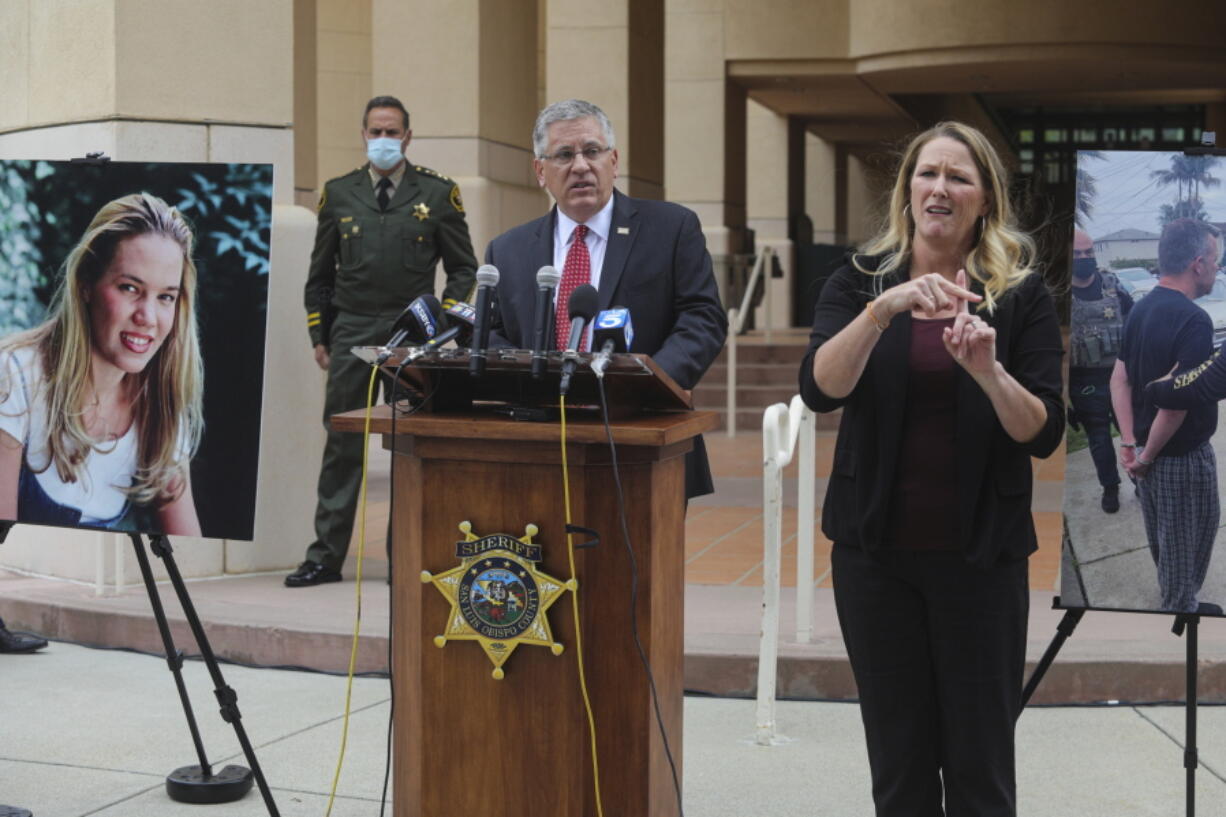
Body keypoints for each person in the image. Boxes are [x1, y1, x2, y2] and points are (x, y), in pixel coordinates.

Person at [798, 121, 1064, 816]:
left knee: (980, 770)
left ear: (984, 202)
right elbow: (820, 387)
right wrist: (882, 311)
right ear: (907, 189)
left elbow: (1042, 431)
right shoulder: (860, 281)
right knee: (900, 767)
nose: (939, 188)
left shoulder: (1020, 295)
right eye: (927, 173)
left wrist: (988, 371)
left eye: (959, 177)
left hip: (981, 561)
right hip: (875, 559)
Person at [486, 99, 726, 499]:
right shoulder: (507, 251)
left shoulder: (670, 228)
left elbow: (702, 319)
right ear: (540, 171)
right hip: (536, 444)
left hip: (642, 439)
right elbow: (493, 335)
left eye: (592, 151)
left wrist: (648, 385)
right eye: (564, 154)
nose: (580, 165)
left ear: (614, 161)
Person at [289, 95, 478, 587]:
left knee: (409, 448)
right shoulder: (339, 193)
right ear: (363, 134)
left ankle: (406, 557)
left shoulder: (438, 194)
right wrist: (320, 332)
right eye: (376, 131)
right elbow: (320, 275)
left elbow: (463, 267)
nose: (384, 141)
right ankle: (325, 557)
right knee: (342, 445)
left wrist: (443, 326)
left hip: (411, 338)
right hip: (351, 330)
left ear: (408, 137)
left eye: (393, 132)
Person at [0, 193, 203, 535]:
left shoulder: (161, 411)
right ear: (85, 285)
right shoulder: (15, 377)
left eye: (165, 296)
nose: (147, 317)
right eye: (129, 288)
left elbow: (189, 549)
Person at [1111, 218, 1221, 614]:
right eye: (1215, 259)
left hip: (1147, 451)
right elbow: (1175, 404)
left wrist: (1130, 444)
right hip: (1178, 459)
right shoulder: (1194, 320)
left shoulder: (1140, 309)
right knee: (1184, 547)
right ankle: (1180, 614)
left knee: (1166, 543)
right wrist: (1145, 458)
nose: (1217, 268)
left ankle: (1179, 600)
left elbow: (1119, 378)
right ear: (1197, 263)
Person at [1069, 227, 1133, 513]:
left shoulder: (1113, 286)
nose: (1085, 258)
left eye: (1089, 252)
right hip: (1084, 381)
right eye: (1078, 254)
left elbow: (1135, 326)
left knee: (1131, 434)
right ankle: (1110, 488)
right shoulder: (1058, 295)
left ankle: (1141, 480)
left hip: (1121, 376)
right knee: (1099, 438)